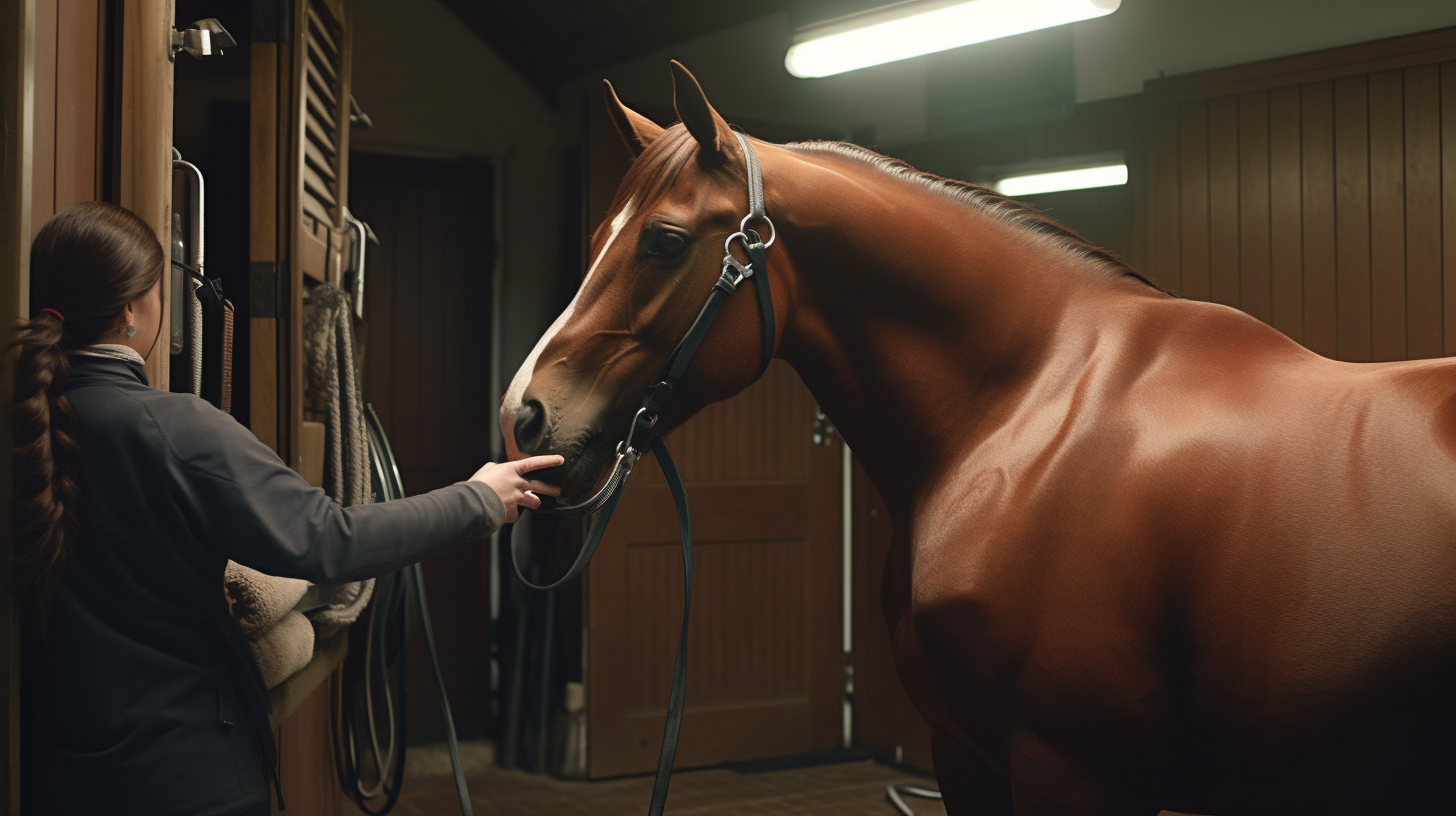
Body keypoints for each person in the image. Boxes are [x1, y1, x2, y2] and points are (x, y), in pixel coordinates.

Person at [8, 201, 561, 815]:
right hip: (185, 779)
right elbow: (330, 541)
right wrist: (479, 499)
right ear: (132, 311)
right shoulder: (174, 429)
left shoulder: (22, 429)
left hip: (51, 778)